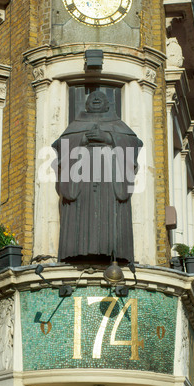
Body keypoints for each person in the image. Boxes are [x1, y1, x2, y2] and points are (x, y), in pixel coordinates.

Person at [52, 91, 142, 264]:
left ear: (108, 105)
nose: (95, 99)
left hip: (110, 181)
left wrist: (109, 137)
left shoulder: (119, 125)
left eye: (100, 98)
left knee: (109, 214)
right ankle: (76, 251)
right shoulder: (76, 125)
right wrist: (83, 139)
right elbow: (60, 145)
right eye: (92, 98)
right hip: (82, 181)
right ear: (86, 105)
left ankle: (114, 251)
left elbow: (134, 143)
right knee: (84, 215)